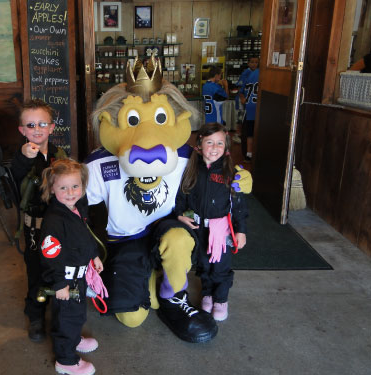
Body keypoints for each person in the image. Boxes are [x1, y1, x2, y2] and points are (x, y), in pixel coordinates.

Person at [86, 57, 253, 343]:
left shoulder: (186, 155)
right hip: (125, 241)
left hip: (165, 229)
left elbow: (216, 166)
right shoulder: (99, 163)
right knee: (132, 318)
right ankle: (149, 279)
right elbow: (75, 205)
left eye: (161, 118)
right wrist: (86, 253)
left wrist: (238, 177)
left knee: (180, 239)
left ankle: (173, 294)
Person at [175, 123, 248, 321]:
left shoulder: (231, 173)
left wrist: (241, 230)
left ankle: (221, 299)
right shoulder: (191, 169)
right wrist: (180, 214)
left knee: (221, 267)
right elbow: (181, 196)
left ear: (225, 147)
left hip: (221, 231)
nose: (214, 147)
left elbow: (239, 205)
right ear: (199, 144)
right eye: (209, 142)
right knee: (204, 264)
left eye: (219, 143)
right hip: (198, 228)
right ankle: (207, 294)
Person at [39, 158, 103, 375]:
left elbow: (85, 236)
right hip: (65, 280)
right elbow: (50, 255)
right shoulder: (54, 220)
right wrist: (59, 283)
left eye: (75, 186)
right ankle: (65, 360)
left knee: (76, 315)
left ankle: (74, 339)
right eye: (63, 187)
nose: (70, 192)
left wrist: (94, 256)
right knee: (66, 319)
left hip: (79, 275)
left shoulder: (76, 208)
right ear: (52, 188)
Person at [10, 99, 66, 342]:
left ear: (52, 127)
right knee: (36, 272)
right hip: (35, 229)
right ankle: (35, 315)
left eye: (42, 123)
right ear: (22, 130)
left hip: (59, 226)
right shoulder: (21, 158)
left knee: (61, 269)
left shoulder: (59, 154)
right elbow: (16, 182)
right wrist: (24, 158)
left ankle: (62, 314)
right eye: (30, 125)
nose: (37, 129)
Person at [234, 57, 259, 144]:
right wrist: (242, 99)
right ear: (248, 63)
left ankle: (246, 134)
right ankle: (238, 134)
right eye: (252, 62)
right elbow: (240, 87)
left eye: (256, 62)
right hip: (244, 99)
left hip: (251, 100)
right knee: (241, 116)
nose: (254, 64)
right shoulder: (246, 73)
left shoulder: (257, 73)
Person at [239, 62, 259, 162]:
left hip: (250, 106)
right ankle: (251, 154)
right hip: (257, 107)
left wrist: (244, 100)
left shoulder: (249, 75)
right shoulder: (262, 74)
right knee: (253, 132)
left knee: (249, 132)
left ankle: (248, 154)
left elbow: (241, 91)